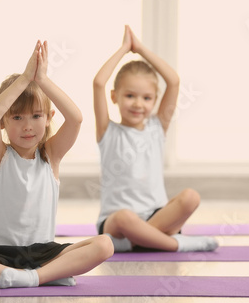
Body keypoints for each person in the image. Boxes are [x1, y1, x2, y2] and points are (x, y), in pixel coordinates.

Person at [0, 40, 113, 288]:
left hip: (43, 253)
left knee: (105, 244)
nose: (28, 125)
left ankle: (31, 277)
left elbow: (76, 118)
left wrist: (42, 79)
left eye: (36, 116)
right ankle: (44, 276)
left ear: (48, 118)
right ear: (5, 122)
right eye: (17, 117)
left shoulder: (51, 155)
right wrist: (26, 77)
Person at [93, 25, 218, 252]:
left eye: (147, 97)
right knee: (124, 218)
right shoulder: (107, 132)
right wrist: (123, 49)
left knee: (191, 197)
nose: (138, 104)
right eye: (130, 96)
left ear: (155, 100)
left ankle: (138, 241)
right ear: (114, 96)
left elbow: (174, 81)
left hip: (156, 214)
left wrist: (140, 49)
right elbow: (98, 83)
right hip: (117, 223)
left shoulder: (157, 127)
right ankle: (175, 244)